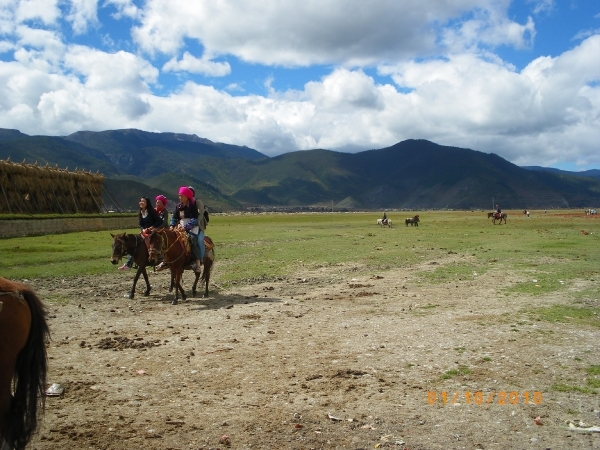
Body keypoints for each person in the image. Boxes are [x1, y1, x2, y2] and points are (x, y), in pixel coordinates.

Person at [118, 197, 163, 270]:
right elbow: (141, 225)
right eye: (140, 201)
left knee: (150, 243)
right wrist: (143, 230)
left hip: (153, 231)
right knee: (134, 243)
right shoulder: (140, 213)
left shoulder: (151, 211)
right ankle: (129, 263)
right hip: (144, 232)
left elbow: (159, 221)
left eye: (143, 201)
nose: (141, 203)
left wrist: (151, 228)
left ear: (147, 203)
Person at [169, 186, 202, 273]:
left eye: (182, 196)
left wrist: (186, 227)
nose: (180, 197)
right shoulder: (178, 206)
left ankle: (197, 262)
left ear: (187, 196)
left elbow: (194, 219)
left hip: (192, 227)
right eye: (179, 196)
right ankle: (167, 261)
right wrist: (172, 225)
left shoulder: (192, 206)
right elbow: (174, 218)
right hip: (180, 226)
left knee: (193, 239)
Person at [187, 186, 206, 263]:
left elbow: (201, 215)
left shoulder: (198, 202)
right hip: (188, 226)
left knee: (199, 240)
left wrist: (195, 222)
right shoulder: (185, 204)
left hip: (198, 226)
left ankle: (201, 258)